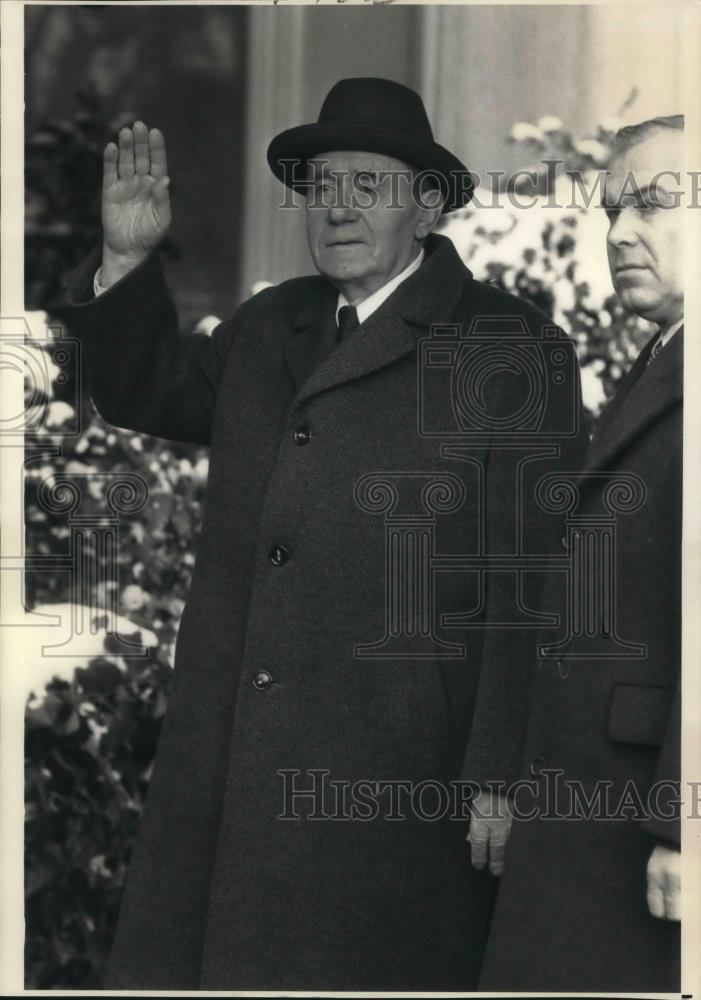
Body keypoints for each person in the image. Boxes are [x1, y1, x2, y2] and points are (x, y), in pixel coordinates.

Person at [62, 77, 585, 990]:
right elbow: (144, 388)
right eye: (320, 185)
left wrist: (501, 770)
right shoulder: (273, 323)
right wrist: (127, 264)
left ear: (426, 205)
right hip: (231, 763)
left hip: (388, 784)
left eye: (366, 186)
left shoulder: (507, 345)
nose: (335, 207)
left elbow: (532, 579)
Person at [476, 115, 684, 992]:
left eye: (651, 206)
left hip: (642, 820)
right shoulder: (661, 361)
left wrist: (683, 828)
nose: (619, 233)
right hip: (588, 807)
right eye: (609, 212)